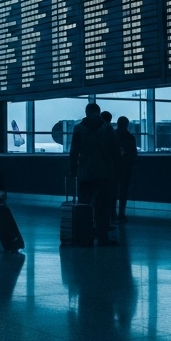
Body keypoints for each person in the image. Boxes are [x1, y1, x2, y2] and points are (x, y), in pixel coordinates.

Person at [69, 102, 119, 244]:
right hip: (104, 173)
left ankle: (84, 236)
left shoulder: (78, 129)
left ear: (86, 113)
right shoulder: (107, 128)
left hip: (85, 172)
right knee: (102, 205)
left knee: (84, 204)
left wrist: (73, 169)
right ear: (99, 112)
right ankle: (103, 236)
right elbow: (115, 150)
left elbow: (74, 151)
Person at [115, 116, 138, 223]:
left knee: (112, 191)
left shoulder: (113, 136)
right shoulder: (130, 137)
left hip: (113, 167)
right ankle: (121, 214)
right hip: (126, 167)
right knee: (123, 191)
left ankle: (111, 214)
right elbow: (134, 154)